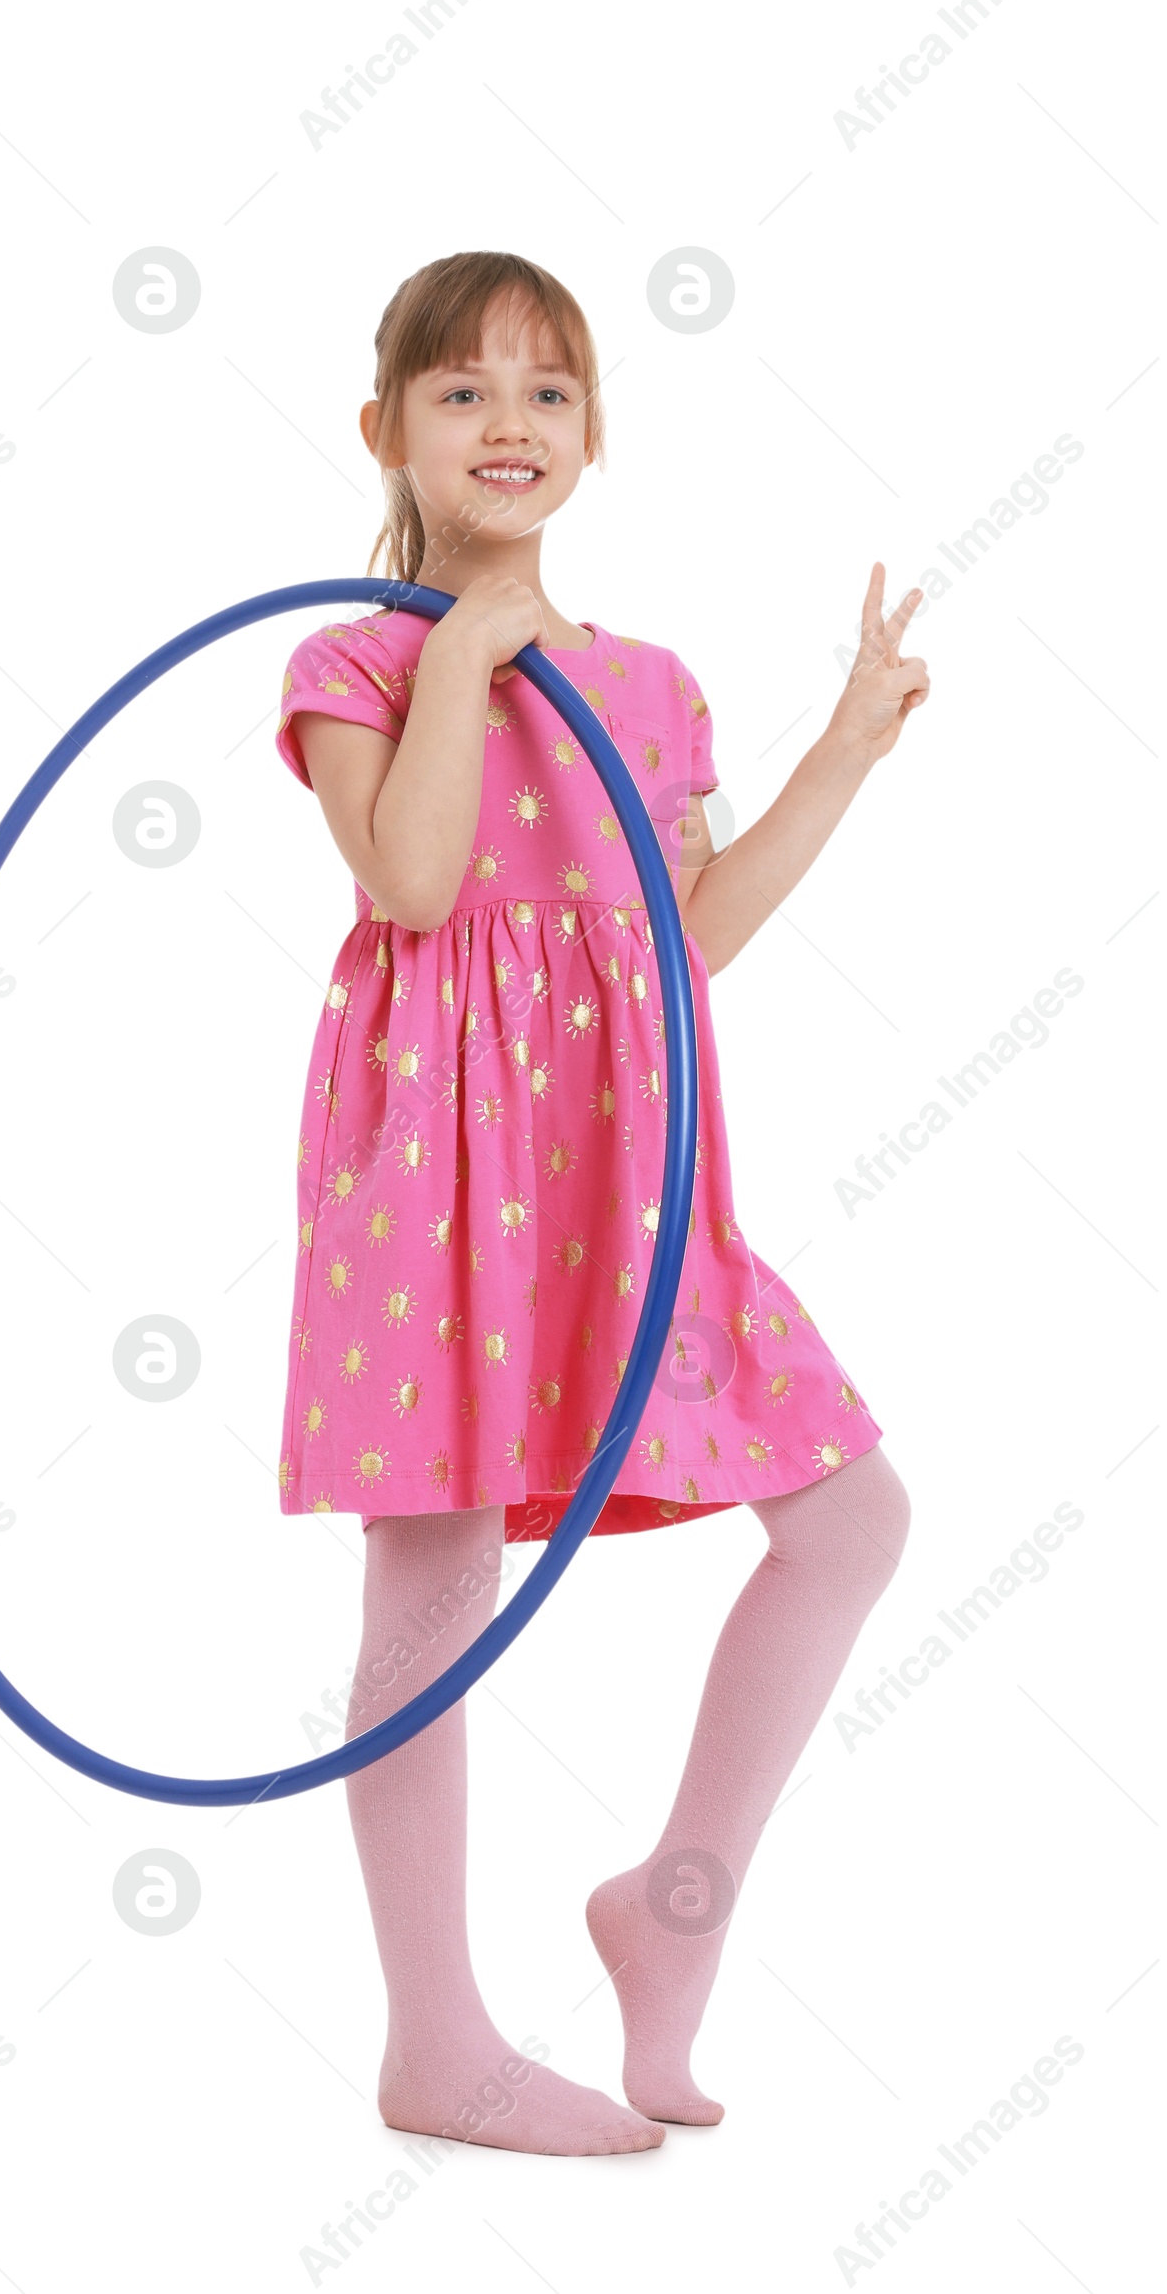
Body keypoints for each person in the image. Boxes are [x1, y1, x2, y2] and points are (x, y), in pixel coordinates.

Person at [272, 251, 925, 2156]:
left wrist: (845, 752)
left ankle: (673, 1911)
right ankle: (439, 2040)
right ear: (385, 424)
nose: (508, 424)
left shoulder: (648, 688)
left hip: (631, 1186)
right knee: (434, 1585)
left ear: (594, 440)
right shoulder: (354, 662)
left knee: (850, 1515)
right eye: (463, 390)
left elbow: (689, 934)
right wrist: (467, 647)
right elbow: (410, 884)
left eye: (548, 393)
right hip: (431, 1171)